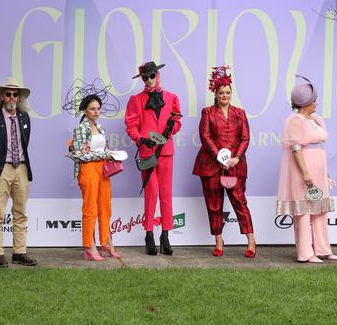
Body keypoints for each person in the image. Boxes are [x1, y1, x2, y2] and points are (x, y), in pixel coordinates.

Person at [276, 75, 337, 263]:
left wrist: (325, 174)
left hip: (318, 169)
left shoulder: (315, 119)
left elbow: (319, 146)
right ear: (305, 103)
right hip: (303, 170)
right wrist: (305, 172)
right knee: (304, 211)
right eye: (313, 101)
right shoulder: (295, 121)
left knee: (320, 209)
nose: (316, 103)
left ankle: (323, 249)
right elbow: (296, 148)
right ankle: (305, 252)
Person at [193, 66, 256, 258]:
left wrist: (235, 158)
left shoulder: (240, 113)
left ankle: (251, 240)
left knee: (239, 201)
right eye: (221, 93)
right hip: (211, 166)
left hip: (235, 166)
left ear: (231, 93)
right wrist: (220, 157)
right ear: (216, 93)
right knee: (214, 204)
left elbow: (245, 138)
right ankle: (219, 241)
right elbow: (205, 136)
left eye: (228, 92)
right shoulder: (208, 113)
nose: (225, 95)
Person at [125, 61, 182, 255]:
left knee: (166, 194)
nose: (149, 80)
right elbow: (131, 126)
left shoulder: (172, 97)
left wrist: (170, 129)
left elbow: (177, 121)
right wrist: (141, 140)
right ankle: (149, 233)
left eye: (151, 76)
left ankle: (165, 235)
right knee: (152, 193)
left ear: (157, 75)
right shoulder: (136, 100)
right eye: (145, 77)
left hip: (166, 152)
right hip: (148, 153)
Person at [0, 78, 37, 268]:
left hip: (21, 167)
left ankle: (19, 252)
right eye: (8, 94)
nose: (12, 97)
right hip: (1, 169)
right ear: (2, 97)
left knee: (20, 212)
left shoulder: (24, 118)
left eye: (15, 94)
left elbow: (25, 143)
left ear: (19, 97)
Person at [64, 79, 121, 261]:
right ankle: (90, 246)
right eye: (92, 108)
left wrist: (109, 153)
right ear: (85, 110)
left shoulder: (101, 127)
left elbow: (102, 148)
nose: (96, 111)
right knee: (90, 207)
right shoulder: (81, 129)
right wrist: (103, 155)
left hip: (102, 170)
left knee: (105, 206)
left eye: (98, 108)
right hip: (87, 169)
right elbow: (81, 154)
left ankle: (106, 241)